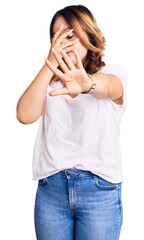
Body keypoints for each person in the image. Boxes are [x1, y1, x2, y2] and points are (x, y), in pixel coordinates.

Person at [16, 4, 128, 240]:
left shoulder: (112, 72)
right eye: (56, 37)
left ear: (89, 34)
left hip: (99, 190)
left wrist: (87, 84)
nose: (63, 42)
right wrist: (50, 63)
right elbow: (24, 115)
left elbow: (110, 87)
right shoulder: (49, 85)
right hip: (51, 191)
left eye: (70, 34)